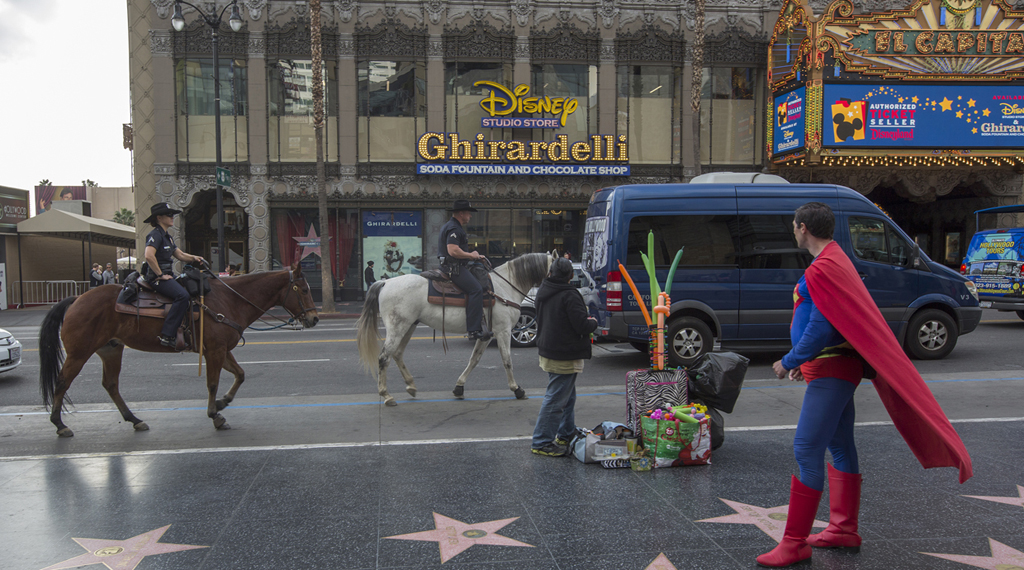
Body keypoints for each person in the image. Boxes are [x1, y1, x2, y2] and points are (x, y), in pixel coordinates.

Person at [757, 202, 972, 567]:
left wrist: (789, 360)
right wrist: (804, 358)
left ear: (803, 227)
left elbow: (821, 327)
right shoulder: (834, 260)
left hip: (832, 369)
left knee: (806, 449)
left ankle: (794, 543)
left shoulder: (824, 267)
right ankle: (843, 529)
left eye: (794, 225)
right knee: (840, 445)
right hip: (832, 366)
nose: (793, 230)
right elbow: (827, 321)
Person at [531, 258, 598, 457]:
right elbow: (581, 325)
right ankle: (541, 441)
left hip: (549, 350)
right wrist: (592, 322)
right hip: (564, 353)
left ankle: (566, 433)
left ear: (550, 273)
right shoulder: (570, 294)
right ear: (571, 276)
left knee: (567, 395)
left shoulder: (543, 291)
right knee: (556, 399)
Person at [142, 202, 206, 348]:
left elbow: (180, 255)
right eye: (169, 215)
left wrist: (195, 258)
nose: (172, 217)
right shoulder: (155, 235)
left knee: (191, 288)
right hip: (157, 278)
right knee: (182, 296)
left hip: (168, 275)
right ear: (159, 218)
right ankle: (168, 334)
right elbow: (149, 256)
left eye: (172, 214)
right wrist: (160, 275)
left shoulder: (167, 237)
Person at [438, 199, 492, 342]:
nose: (470, 216)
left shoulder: (452, 226)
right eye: (468, 213)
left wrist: (475, 257)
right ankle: (473, 330)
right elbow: (453, 250)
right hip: (453, 268)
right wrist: (471, 255)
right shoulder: (455, 228)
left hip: (453, 266)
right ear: (461, 213)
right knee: (476, 289)